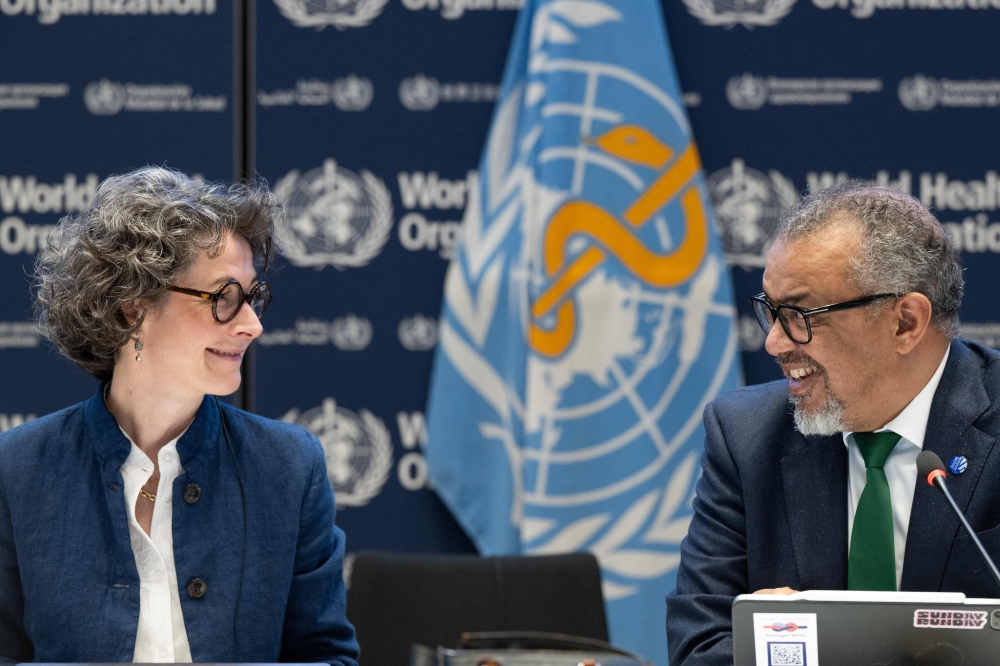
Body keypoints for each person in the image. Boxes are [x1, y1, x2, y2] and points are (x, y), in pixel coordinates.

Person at [0, 167, 360, 665]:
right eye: (223, 298)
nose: (252, 325)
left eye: (252, 296)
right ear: (132, 308)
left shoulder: (289, 465)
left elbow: (327, 657)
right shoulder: (17, 468)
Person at [666, 182, 1000, 665]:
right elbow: (698, 646)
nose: (776, 344)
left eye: (800, 314)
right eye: (772, 312)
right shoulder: (746, 436)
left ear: (905, 322)